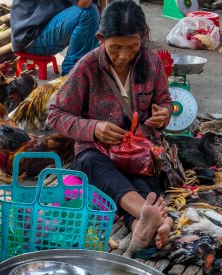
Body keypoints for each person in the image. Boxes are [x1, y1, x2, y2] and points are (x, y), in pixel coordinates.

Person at [47, 0, 173, 254]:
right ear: (100, 39)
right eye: (115, 47)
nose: (124, 56)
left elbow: (165, 101)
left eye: (132, 47)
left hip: (140, 153)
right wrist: (94, 128)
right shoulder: (87, 67)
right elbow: (55, 115)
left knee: (142, 178)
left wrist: (164, 114)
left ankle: (140, 225)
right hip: (98, 153)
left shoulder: (151, 63)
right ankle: (153, 216)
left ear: (142, 38)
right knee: (95, 167)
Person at [11, 0, 100, 76]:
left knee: (98, 11)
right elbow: (83, 4)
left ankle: (89, 66)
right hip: (31, 38)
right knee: (87, 12)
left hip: (43, 27)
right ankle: (72, 75)